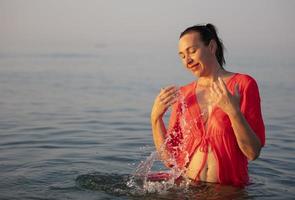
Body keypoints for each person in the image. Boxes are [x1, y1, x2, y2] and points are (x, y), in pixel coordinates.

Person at [150, 23, 265, 187]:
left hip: (229, 191)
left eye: (192, 51)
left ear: (211, 46)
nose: (187, 60)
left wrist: (233, 112)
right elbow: (170, 160)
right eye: (182, 56)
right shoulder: (184, 94)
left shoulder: (243, 85)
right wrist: (155, 118)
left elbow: (252, 152)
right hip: (188, 190)